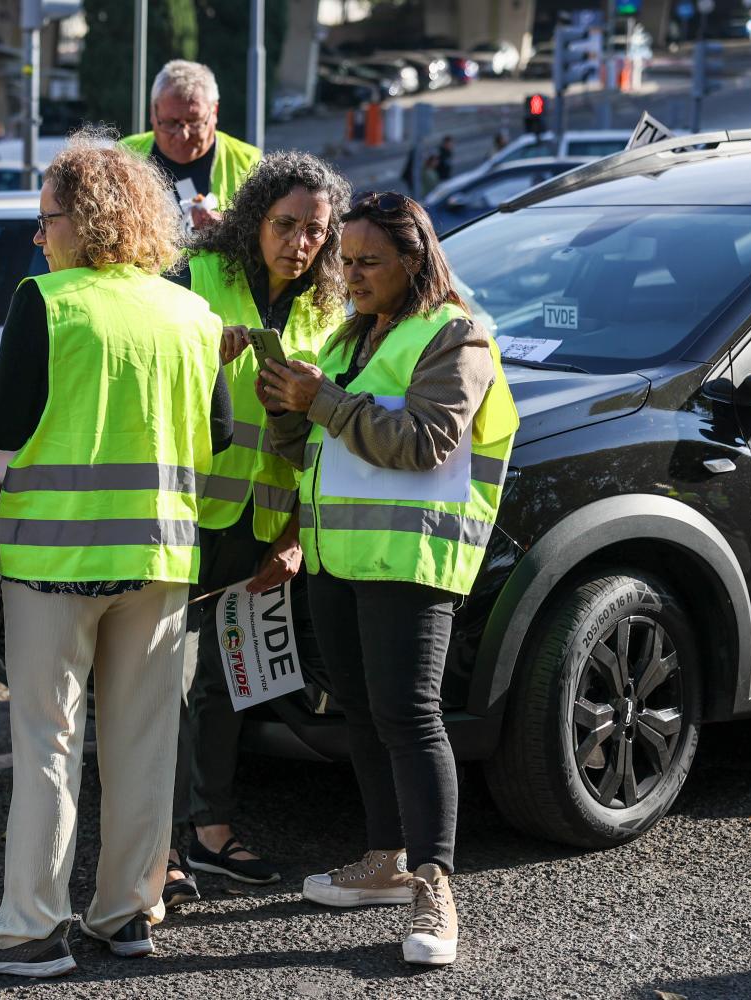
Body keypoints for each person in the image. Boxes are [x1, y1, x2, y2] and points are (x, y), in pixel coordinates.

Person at [0, 131, 230, 978]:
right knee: (144, 743)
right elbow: (215, 436)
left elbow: (5, 428)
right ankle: (128, 914)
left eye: (45, 219)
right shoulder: (192, 314)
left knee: (48, 739)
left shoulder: (49, 301)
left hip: (56, 558)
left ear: (83, 219)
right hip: (162, 555)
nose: (40, 236)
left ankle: (32, 927)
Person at [259, 191, 518, 967]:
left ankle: (436, 886)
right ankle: (384, 861)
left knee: (411, 716)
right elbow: (302, 447)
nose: (352, 275)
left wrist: (324, 400)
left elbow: (426, 442)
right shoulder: (350, 336)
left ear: (415, 258)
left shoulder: (457, 335)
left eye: (368, 262)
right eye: (346, 262)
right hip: (340, 557)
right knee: (365, 714)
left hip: (412, 559)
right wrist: (285, 394)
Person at [164, 151, 348, 907]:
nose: (299, 242)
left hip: (263, 526)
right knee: (155, 687)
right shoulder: (196, 274)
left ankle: (207, 831)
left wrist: (296, 535)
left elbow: (324, 442)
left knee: (220, 687)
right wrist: (207, 350)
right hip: (176, 515)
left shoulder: (330, 311)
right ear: (254, 218)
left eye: (314, 231)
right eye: (285, 224)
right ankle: (156, 848)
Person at [119, 60, 262, 233]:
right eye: (170, 123)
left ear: (214, 112)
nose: (182, 136)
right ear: (153, 112)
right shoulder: (123, 155)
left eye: (194, 122)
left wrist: (230, 229)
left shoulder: (249, 163)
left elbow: (266, 236)